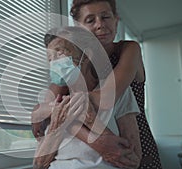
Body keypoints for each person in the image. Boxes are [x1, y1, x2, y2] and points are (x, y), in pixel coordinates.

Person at [68, 0, 162, 168]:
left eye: (106, 17)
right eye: (90, 20)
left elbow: (105, 100)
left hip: (137, 149)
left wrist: (57, 107)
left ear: (116, 20)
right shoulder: (77, 62)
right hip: (98, 157)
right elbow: (54, 106)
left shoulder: (129, 50)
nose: (100, 25)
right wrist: (100, 144)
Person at [32, 26, 141, 169]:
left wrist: (91, 121)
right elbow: (38, 165)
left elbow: (133, 160)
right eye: (50, 59)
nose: (54, 64)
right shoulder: (55, 103)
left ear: (86, 55)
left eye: (59, 54)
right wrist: (56, 127)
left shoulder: (120, 94)